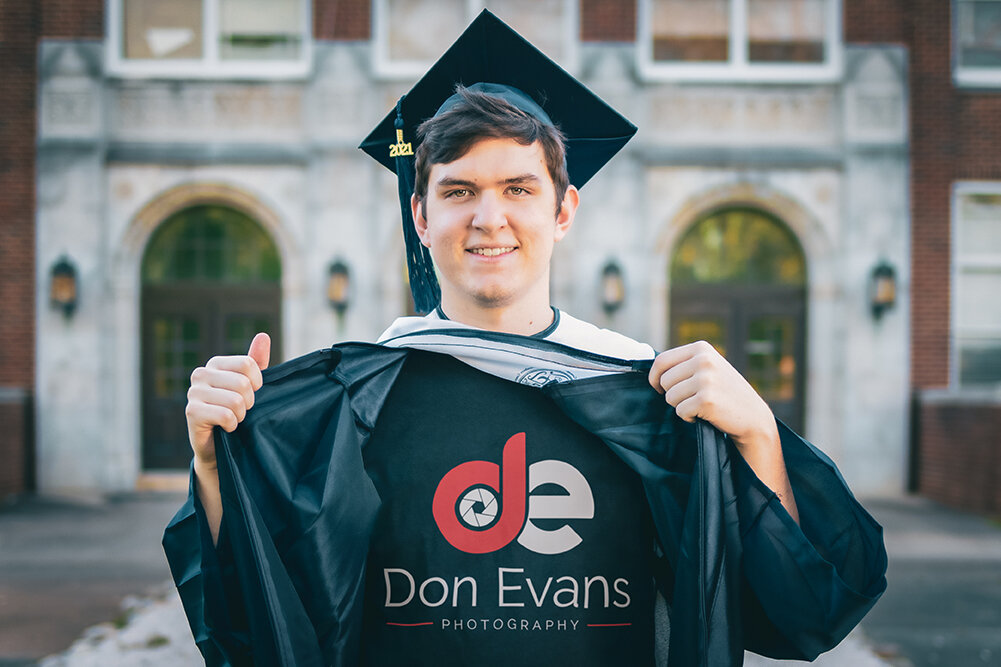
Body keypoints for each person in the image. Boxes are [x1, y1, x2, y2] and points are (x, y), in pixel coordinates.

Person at [167, 11, 885, 667]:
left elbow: (799, 615)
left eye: (518, 188)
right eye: (457, 191)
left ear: (563, 209)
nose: (488, 218)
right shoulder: (349, 402)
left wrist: (757, 433)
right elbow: (253, 625)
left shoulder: (645, 394)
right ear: (419, 215)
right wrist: (212, 458)